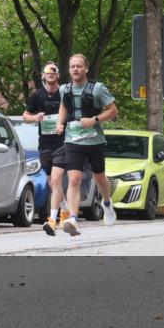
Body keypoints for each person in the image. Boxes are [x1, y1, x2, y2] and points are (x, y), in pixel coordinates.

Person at [54, 54, 119, 236]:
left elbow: (113, 111)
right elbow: (64, 106)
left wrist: (94, 120)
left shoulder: (97, 89)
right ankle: (73, 219)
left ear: (86, 68)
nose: (75, 69)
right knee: (74, 179)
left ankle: (107, 203)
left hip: (94, 140)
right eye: (72, 66)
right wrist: (60, 123)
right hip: (73, 139)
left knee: (100, 177)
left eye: (79, 66)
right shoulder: (64, 89)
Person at [22, 62, 68, 236]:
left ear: (58, 75)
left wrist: (64, 124)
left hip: (62, 143)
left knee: (56, 180)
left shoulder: (64, 93)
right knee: (51, 181)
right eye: (48, 71)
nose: (51, 73)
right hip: (45, 145)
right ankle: (65, 210)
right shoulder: (37, 95)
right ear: (43, 75)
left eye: (54, 71)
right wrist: (36, 118)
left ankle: (53, 219)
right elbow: (25, 116)